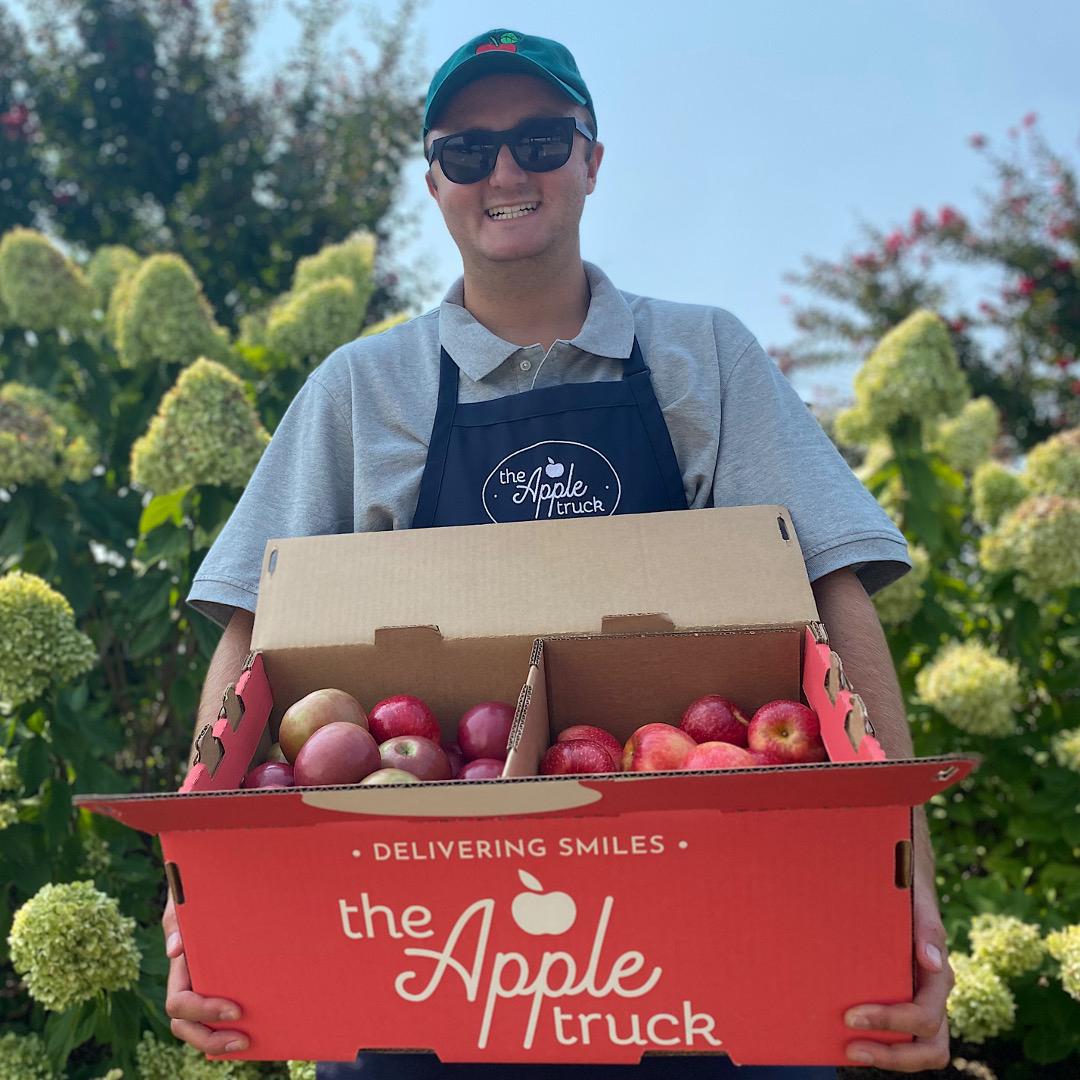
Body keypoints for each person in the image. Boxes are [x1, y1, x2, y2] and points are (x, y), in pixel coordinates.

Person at [164, 28, 954, 1080]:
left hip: (708, 936)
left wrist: (909, 909)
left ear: (591, 160)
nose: (505, 172)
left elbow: (833, 599)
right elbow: (252, 642)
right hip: (426, 952)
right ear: (434, 180)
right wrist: (196, 921)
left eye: (541, 140)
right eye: (467, 151)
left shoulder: (703, 357)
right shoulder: (362, 392)